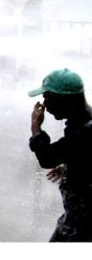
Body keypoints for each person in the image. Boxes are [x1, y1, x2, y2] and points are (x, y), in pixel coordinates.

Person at [28, 68, 92, 241]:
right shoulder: (85, 122)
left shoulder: (82, 132)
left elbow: (47, 158)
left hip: (83, 222)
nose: (45, 104)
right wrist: (73, 167)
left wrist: (36, 127)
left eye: (48, 98)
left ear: (63, 100)